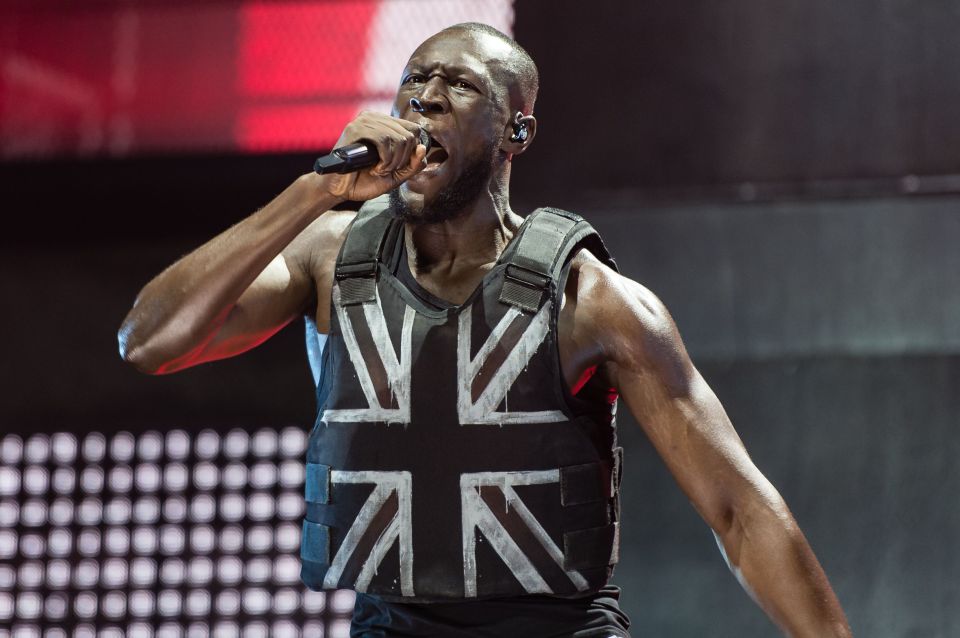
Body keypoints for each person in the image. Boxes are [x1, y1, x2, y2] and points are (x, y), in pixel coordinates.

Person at [118, 22, 851, 638]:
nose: (425, 97)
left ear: (516, 130)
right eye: (415, 81)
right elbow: (149, 342)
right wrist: (314, 191)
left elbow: (739, 509)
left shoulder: (592, 300)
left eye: (458, 86)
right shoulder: (329, 256)